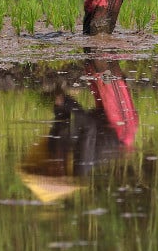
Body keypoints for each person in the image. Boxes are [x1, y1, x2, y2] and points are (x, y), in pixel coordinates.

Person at [18, 59, 139, 203]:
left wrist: (59, 103)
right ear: (62, 176)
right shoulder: (79, 166)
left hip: (102, 118)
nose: (51, 168)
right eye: (51, 173)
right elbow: (89, 127)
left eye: (45, 169)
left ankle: (96, 41)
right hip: (120, 128)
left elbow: (62, 120)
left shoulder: (54, 149)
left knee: (92, 63)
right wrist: (67, 102)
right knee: (106, 71)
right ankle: (105, 42)